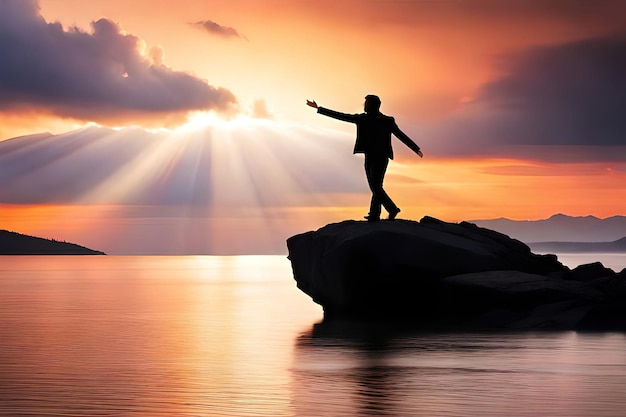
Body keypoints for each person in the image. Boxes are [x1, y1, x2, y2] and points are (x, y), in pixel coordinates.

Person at [306, 95, 423, 221]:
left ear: (373, 105)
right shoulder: (363, 118)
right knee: (376, 185)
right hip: (369, 156)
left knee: (375, 186)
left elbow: (400, 135)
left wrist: (415, 148)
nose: (364, 105)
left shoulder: (386, 120)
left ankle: (392, 209)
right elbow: (342, 116)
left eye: (366, 103)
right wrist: (319, 108)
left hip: (381, 157)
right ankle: (374, 214)